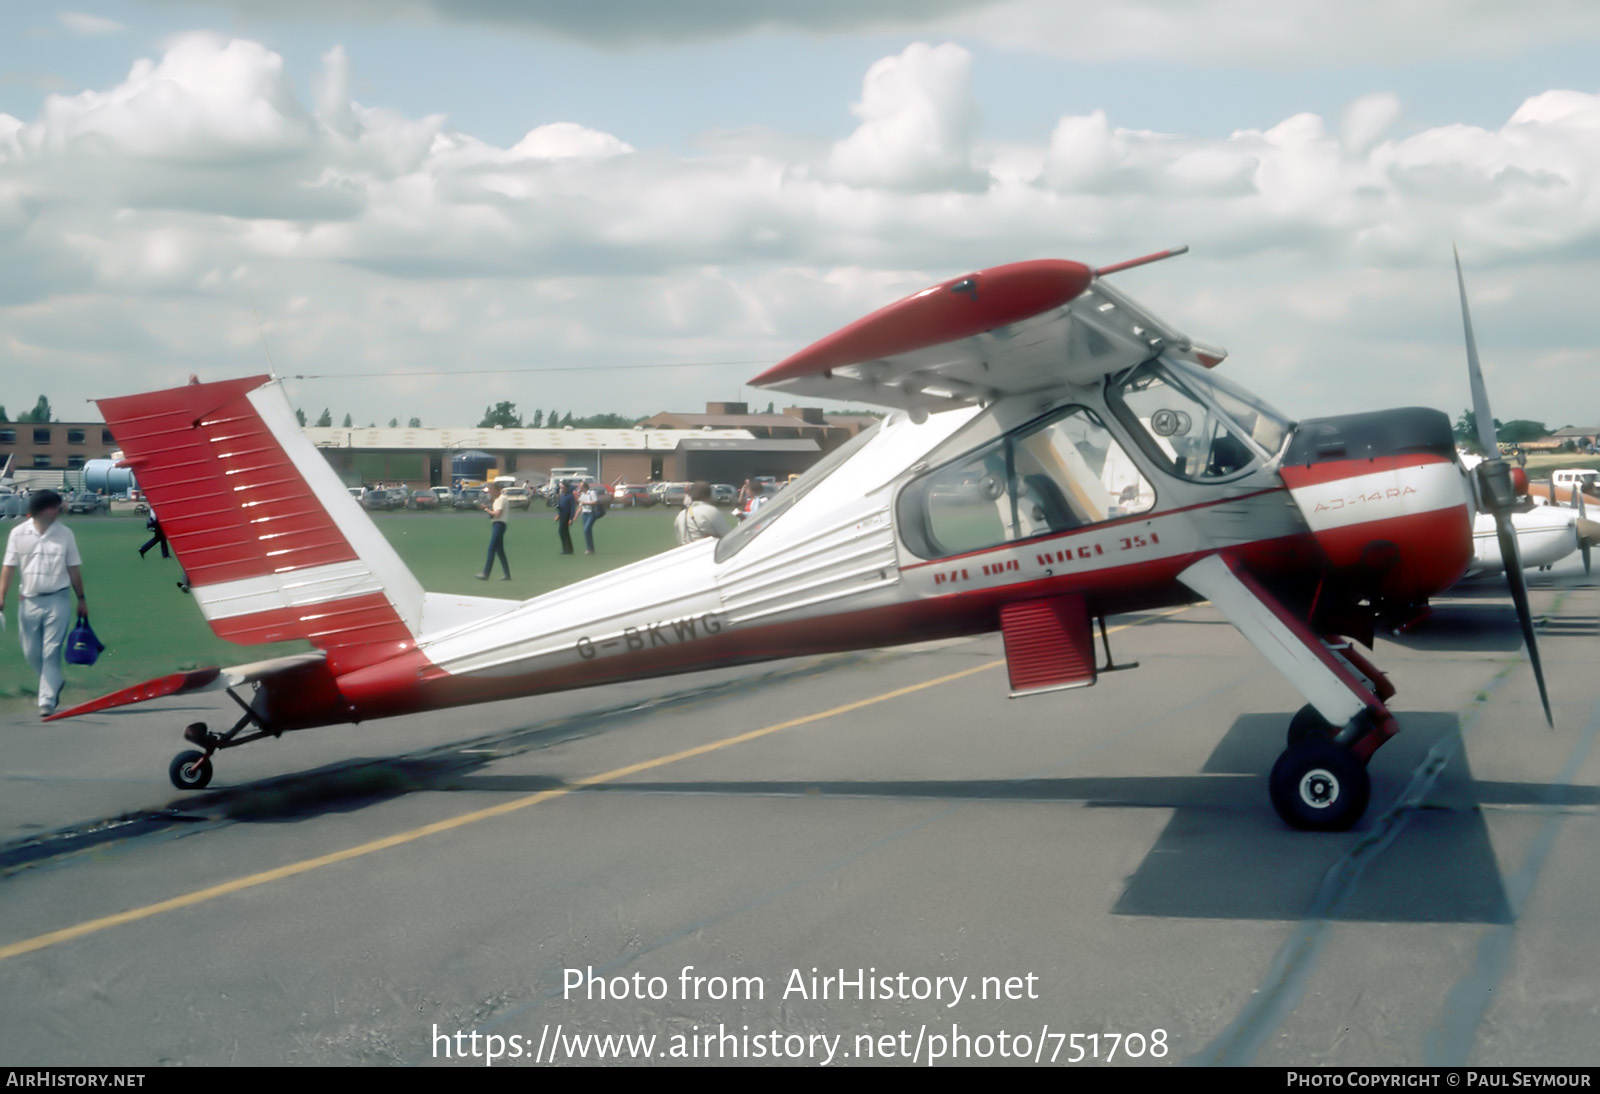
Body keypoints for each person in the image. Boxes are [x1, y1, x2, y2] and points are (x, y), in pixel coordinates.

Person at [0, 490, 89, 716]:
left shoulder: (65, 534)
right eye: (56, 507)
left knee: (51, 651)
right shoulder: (18, 533)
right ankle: (54, 681)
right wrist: (1, 596)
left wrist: (81, 598)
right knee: (31, 652)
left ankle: (46, 700)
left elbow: (73, 568)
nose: (59, 510)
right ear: (43, 509)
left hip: (58, 599)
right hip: (28, 600)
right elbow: (9, 567)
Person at [475, 480, 511, 580]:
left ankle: (486, 574)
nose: (489, 493)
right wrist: (488, 508)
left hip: (499, 524)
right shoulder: (497, 499)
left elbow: (497, 514)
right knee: (500, 551)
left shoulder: (501, 499)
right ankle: (507, 575)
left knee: (491, 549)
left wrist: (487, 510)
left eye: (490, 490)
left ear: (495, 490)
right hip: (497, 524)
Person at [577, 480, 604, 555]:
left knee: (586, 529)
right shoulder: (581, 494)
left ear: (584, 486)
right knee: (586, 531)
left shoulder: (591, 493)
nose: (579, 487)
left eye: (581, 486)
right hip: (584, 514)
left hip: (591, 513)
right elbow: (580, 506)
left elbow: (595, 502)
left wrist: (584, 502)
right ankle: (590, 549)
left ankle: (589, 549)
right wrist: (575, 516)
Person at [554, 481, 575, 555]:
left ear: (565, 487)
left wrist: (571, 518)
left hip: (567, 516)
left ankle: (566, 549)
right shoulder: (562, 495)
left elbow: (572, 507)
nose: (561, 488)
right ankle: (569, 548)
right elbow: (561, 505)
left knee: (562, 532)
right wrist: (558, 515)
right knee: (565, 532)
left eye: (562, 487)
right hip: (562, 515)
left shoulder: (570, 495)